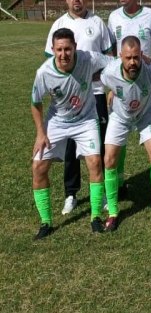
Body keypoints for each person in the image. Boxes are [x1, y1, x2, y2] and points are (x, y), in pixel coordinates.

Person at [31, 28, 112, 238]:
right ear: (53, 50)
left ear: (75, 48)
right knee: (38, 166)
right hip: (57, 121)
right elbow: (35, 103)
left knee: (95, 162)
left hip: (85, 119)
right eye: (59, 49)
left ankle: (95, 217)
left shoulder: (88, 58)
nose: (64, 54)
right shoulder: (44, 72)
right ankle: (46, 222)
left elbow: (113, 62)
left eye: (68, 49)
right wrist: (41, 133)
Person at [45, 0, 113, 216]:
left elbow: (109, 57)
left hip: (95, 94)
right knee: (70, 147)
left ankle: (102, 189)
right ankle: (71, 193)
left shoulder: (98, 23)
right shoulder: (58, 25)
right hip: (67, 98)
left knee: (100, 144)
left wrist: (110, 86)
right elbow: (49, 62)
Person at [100, 36, 151, 230]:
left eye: (136, 57)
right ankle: (112, 212)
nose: (133, 62)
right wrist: (112, 91)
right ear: (120, 57)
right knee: (109, 159)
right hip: (120, 117)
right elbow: (103, 82)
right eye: (128, 58)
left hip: (145, 115)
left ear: (142, 55)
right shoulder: (110, 73)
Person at [107, 0, 151, 201]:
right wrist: (111, 85)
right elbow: (111, 55)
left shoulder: (150, 15)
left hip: (148, 86)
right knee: (120, 136)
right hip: (122, 87)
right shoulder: (113, 18)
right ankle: (119, 182)